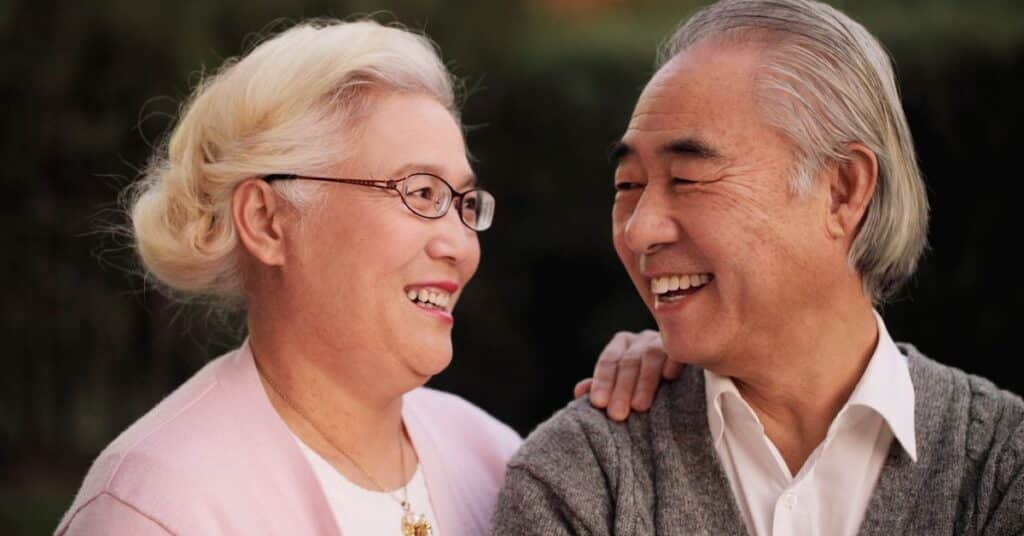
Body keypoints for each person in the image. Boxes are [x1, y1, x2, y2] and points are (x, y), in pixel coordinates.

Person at [55, 19, 674, 536]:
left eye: (463, 202)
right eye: (420, 192)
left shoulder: (494, 455)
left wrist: (679, 392)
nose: (460, 245)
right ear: (267, 221)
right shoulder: (159, 505)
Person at [491, 0, 1024, 534]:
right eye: (628, 186)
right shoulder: (580, 478)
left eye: (688, 178)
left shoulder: (1003, 466)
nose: (639, 230)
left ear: (842, 191)